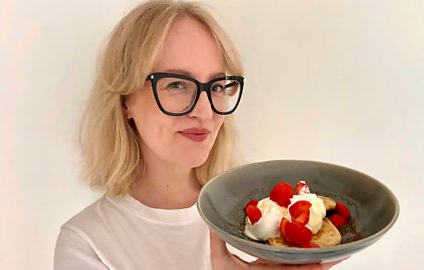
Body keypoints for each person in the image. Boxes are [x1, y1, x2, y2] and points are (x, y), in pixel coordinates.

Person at [54, 1, 342, 269]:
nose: (205, 112)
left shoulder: (262, 218)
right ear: (125, 99)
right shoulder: (88, 244)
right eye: (177, 85)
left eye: (216, 86)